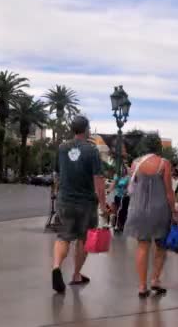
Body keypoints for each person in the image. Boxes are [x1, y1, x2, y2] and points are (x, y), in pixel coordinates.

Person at [52, 116, 109, 294]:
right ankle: (76, 274)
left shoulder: (61, 148)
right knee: (83, 240)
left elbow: (57, 174)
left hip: (65, 200)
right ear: (86, 129)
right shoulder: (91, 151)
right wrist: (103, 205)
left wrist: (56, 192)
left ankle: (56, 267)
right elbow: (98, 181)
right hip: (85, 203)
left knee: (64, 236)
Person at [124, 134, 176, 298]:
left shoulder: (135, 164)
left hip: (139, 210)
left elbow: (132, 186)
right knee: (161, 246)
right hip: (159, 210)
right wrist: (174, 210)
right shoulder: (164, 164)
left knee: (142, 246)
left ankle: (141, 286)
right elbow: (169, 192)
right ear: (158, 146)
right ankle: (155, 280)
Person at [110, 167, 130, 233]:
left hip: (125, 197)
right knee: (115, 211)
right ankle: (115, 224)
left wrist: (126, 191)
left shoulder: (128, 178)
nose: (122, 170)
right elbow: (113, 184)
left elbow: (129, 186)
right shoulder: (117, 176)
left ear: (125, 170)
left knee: (123, 212)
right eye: (121, 169)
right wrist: (110, 191)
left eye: (123, 169)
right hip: (117, 196)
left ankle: (121, 225)